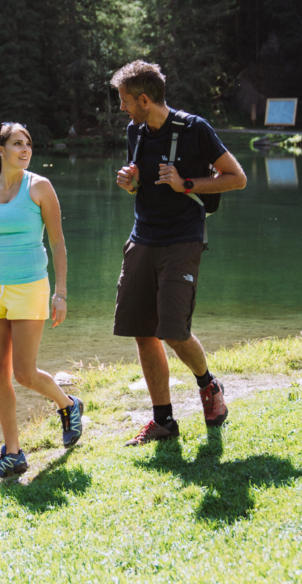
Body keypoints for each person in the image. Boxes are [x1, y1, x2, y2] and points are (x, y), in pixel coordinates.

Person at [111, 61, 247, 446]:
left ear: (144, 99)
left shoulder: (194, 129)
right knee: (142, 330)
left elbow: (236, 178)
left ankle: (208, 385)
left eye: (125, 100)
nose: (121, 107)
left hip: (183, 238)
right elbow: (141, 184)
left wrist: (186, 183)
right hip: (142, 237)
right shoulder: (135, 131)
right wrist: (131, 183)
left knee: (172, 330)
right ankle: (164, 421)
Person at [0, 122, 83, 479]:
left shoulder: (39, 187)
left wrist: (60, 293)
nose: (25, 149)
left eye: (28, 143)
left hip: (30, 286)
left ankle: (68, 404)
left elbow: (58, 242)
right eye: (17, 143)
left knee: (25, 373)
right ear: (0, 150)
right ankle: (13, 453)